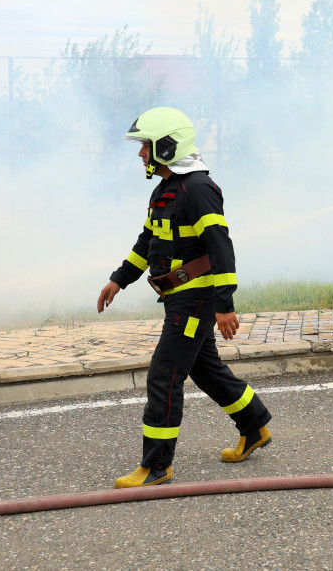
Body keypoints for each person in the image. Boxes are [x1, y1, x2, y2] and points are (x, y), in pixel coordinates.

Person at [97, 107, 272, 488]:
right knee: (204, 369)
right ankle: (254, 425)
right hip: (179, 299)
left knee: (164, 374)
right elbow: (148, 240)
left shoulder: (198, 189)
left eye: (146, 146)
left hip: (196, 300)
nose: (141, 153)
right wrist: (119, 280)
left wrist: (224, 304)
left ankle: (156, 466)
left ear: (166, 146)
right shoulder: (165, 189)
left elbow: (220, 246)